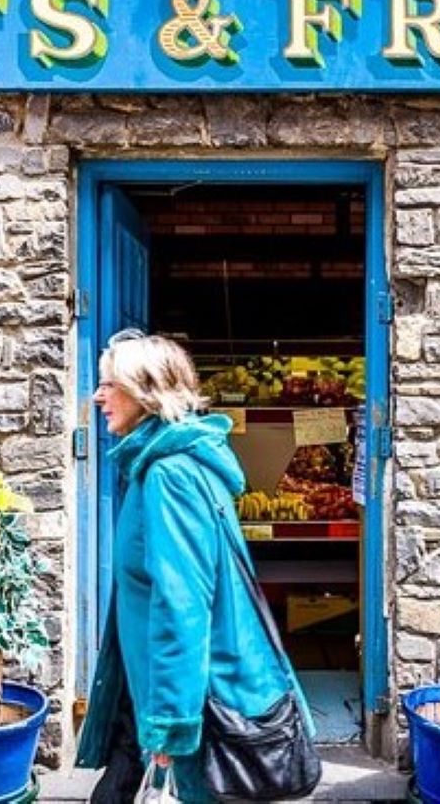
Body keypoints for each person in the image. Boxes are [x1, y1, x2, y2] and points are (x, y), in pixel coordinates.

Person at [76, 329, 314, 804]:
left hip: (191, 706)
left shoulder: (169, 475)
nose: (98, 395)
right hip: (154, 692)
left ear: (146, 392)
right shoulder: (168, 463)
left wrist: (169, 730)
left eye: (110, 384)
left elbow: (182, 606)